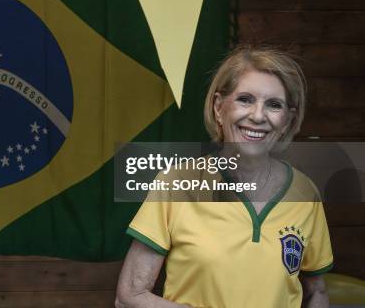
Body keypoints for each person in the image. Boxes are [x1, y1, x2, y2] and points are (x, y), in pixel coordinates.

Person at [115, 46, 333, 308]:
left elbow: (316, 292)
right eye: (245, 99)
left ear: (287, 120)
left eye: (274, 105)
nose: (258, 115)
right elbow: (129, 297)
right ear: (219, 108)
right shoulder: (177, 182)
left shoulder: (305, 192)